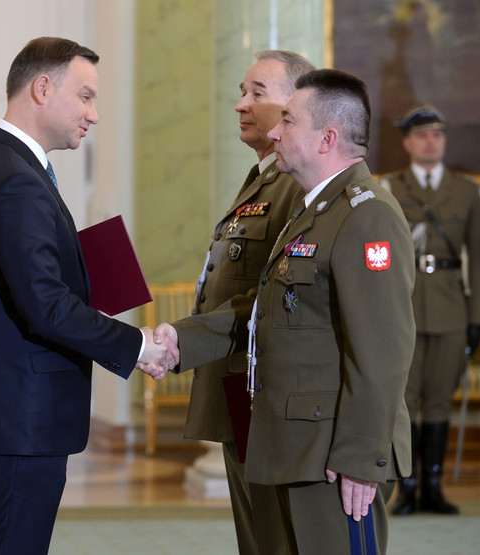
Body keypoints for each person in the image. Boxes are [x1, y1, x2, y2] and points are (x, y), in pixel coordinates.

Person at [150, 69, 416, 554]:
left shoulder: (367, 213)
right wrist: (182, 339)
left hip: (334, 458)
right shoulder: (312, 211)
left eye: (289, 121)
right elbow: (265, 308)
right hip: (288, 444)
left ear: (327, 138)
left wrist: (361, 458)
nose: (274, 132)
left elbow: (383, 352)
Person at [0, 37, 175, 555]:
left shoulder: (3, 165)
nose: (94, 114)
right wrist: (139, 346)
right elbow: (45, 305)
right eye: (86, 96)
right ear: (42, 88)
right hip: (17, 423)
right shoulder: (14, 180)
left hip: (8, 416)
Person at [186, 50, 312, 555]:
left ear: (294, 105)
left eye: (257, 93)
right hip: (238, 382)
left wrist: (179, 340)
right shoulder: (262, 178)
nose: (241, 104)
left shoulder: (292, 184)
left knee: (272, 535)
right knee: (254, 534)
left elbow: (276, 296)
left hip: (260, 388)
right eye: (242, 91)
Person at [380, 105, 480, 515]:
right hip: (403, 309)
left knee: (440, 400)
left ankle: (434, 487)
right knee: (403, 401)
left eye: (438, 134)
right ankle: (406, 487)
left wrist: (478, 317)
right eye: (423, 135)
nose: (431, 141)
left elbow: (478, 260)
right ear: (407, 143)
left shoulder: (466, 192)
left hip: (450, 312)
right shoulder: (389, 187)